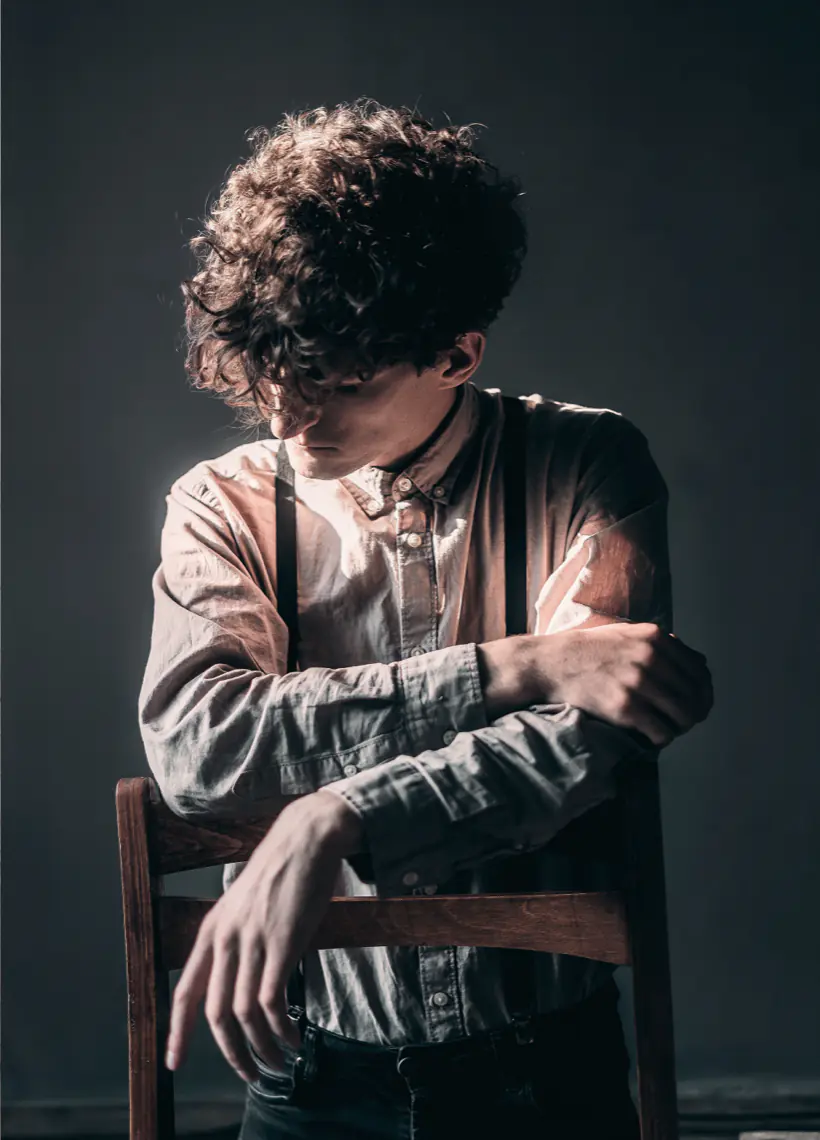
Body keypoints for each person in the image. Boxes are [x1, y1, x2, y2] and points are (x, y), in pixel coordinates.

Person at [138, 98, 713, 1140]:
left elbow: (583, 740)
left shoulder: (588, 464)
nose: (287, 418)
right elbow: (200, 745)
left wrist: (335, 815)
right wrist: (515, 666)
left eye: (340, 383)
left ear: (456, 354)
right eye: (276, 370)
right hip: (306, 1083)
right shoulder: (218, 503)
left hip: (549, 1079)